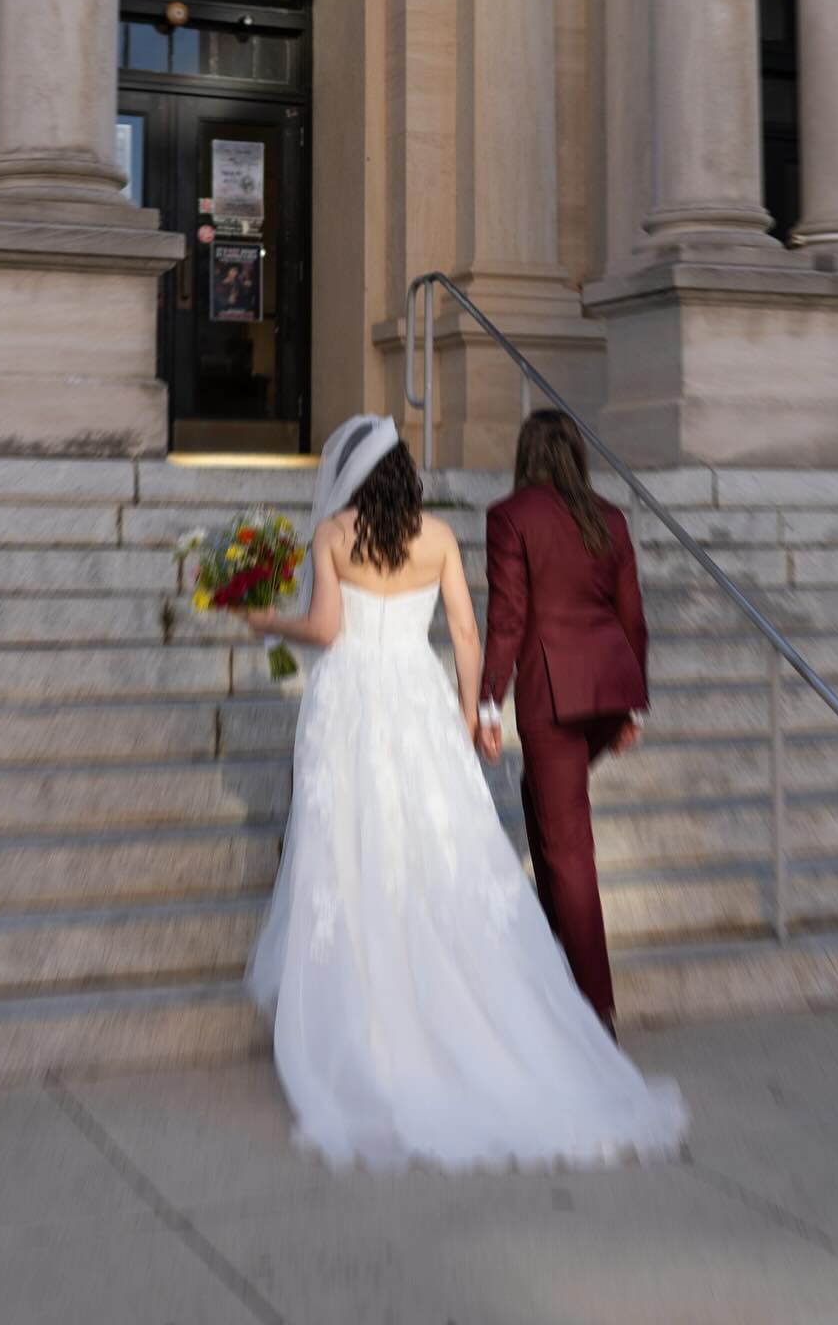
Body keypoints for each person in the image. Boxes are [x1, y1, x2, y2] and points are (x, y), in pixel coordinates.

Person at [243, 414, 685, 1171]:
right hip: (419, 694)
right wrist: (472, 710)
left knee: (351, 840)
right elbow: (469, 632)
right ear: (405, 475)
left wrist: (265, 622)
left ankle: (368, 1014)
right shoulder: (440, 536)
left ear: (350, 477)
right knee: (435, 841)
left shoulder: (333, 536)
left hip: (351, 699)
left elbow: (325, 628)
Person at [479, 410, 649, 1037]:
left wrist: (488, 703)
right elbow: (633, 616)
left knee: (568, 845)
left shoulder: (511, 515)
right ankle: (554, 949)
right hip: (609, 690)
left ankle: (595, 1011)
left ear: (525, 454)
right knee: (545, 805)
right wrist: (634, 705)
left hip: (554, 697)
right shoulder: (611, 518)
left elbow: (507, 618)